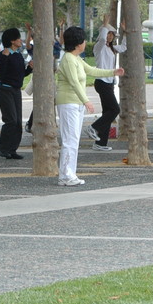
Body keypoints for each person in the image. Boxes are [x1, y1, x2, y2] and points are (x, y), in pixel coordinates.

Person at [55, 26, 123, 186]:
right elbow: (73, 82)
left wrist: (113, 72)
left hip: (76, 103)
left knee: (74, 140)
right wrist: (86, 100)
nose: (85, 43)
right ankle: (65, 175)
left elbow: (92, 70)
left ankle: (70, 173)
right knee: (69, 140)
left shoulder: (77, 59)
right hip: (68, 102)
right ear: (78, 43)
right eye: (83, 40)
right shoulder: (68, 59)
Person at [86, 19, 126, 151]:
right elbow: (103, 40)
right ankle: (94, 127)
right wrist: (104, 25)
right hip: (102, 82)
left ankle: (100, 143)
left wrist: (124, 32)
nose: (109, 36)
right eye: (108, 33)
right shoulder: (99, 46)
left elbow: (124, 47)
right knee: (115, 110)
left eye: (112, 34)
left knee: (108, 112)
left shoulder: (112, 48)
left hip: (109, 83)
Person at [0, 27, 32, 159]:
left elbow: (21, 74)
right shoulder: (4, 54)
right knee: (10, 120)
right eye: (17, 38)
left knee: (17, 122)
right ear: (12, 41)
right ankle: (2, 148)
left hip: (16, 90)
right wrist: (5, 58)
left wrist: (29, 68)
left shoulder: (18, 55)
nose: (20, 40)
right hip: (4, 89)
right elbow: (1, 71)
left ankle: (12, 149)